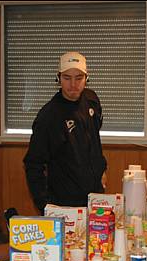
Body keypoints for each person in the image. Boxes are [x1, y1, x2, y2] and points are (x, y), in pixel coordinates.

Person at [23, 51, 107, 213]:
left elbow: (95, 140)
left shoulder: (92, 101)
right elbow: (33, 163)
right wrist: (44, 205)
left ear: (86, 78)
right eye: (67, 78)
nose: (73, 84)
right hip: (64, 202)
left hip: (96, 196)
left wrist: (102, 169)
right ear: (58, 78)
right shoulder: (48, 116)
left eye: (79, 78)